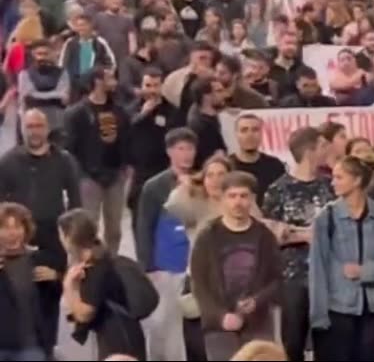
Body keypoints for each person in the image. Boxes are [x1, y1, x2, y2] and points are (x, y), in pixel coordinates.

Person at [309, 156, 374, 362]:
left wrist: (364, 272)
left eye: (339, 177)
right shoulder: (327, 218)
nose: (333, 182)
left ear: (357, 180)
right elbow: (318, 269)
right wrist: (318, 316)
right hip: (338, 307)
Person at [0, 109, 81, 355]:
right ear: (22, 129)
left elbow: (75, 200)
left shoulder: (64, 160)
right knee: (15, 290)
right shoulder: (9, 161)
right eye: (29, 126)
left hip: (52, 236)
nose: (34, 131)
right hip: (16, 233)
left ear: (47, 129)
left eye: (39, 126)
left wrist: (74, 238)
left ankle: (47, 345)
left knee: (50, 288)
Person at [188, 171, 282, 361]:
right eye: (232, 196)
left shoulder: (264, 237)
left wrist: (257, 301)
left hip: (258, 325)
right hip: (219, 327)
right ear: (222, 199)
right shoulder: (208, 237)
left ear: (253, 199)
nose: (238, 202)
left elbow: (277, 280)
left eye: (243, 196)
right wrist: (220, 316)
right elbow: (199, 284)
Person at [261, 128, 335, 362]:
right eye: (323, 145)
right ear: (309, 151)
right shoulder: (278, 190)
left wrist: (292, 231)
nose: (328, 150)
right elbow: (269, 232)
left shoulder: (330, 186)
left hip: (328, 274)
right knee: (293, 341)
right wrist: (305, 235)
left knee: (327, 340)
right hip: (292, 275)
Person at [134, 128, 199, 362]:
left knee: (188, 325)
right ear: (169, 151)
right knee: (161, 323)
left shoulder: (202, 182)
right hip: (164, 265)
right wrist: (148, 266)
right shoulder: (154, 186)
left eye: (190, 148)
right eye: (180, 148)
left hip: (192, 264)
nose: (186, 154)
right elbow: (144, 226)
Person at [57, 209, 146, 360]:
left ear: (68, 237)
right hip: (126, 334)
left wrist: (69, 287)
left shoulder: (97, 268)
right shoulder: (103, 257)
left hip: (118, 341)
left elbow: (84, 314)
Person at [64, 65, 131, 254]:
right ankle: (86, 262)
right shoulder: (77, 113)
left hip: (115, 173)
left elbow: (126, 137)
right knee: (87, 226)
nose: (114, 82)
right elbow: (70, 146)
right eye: (110, 78)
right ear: (97, 81)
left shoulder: (119, 111)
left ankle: (111, 262)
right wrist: (79, 173)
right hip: (88, 176)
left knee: (115, 229)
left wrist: (125, 165)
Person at [128, 68, 182, 215]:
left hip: (164, 168)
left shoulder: (172, 111)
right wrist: (143, 114)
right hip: (140, 171)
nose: (152, 90)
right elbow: (126, 131)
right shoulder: (131, 109)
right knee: (139, 212)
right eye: (148, 85)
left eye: (156, 85)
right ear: (141, 86)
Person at [0, 202, 44, 361]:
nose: (12, 233)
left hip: (29, 346)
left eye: (17, 227)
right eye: (5, 228)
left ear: (26, 230)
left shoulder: (37, 260)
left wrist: (57, 277)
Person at [228, 115, 286, 196]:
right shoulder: (226, 166)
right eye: (244, 130)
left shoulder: (275, 166)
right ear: (236, 134)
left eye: (255, 130)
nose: (250, 135)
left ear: (261, 133)